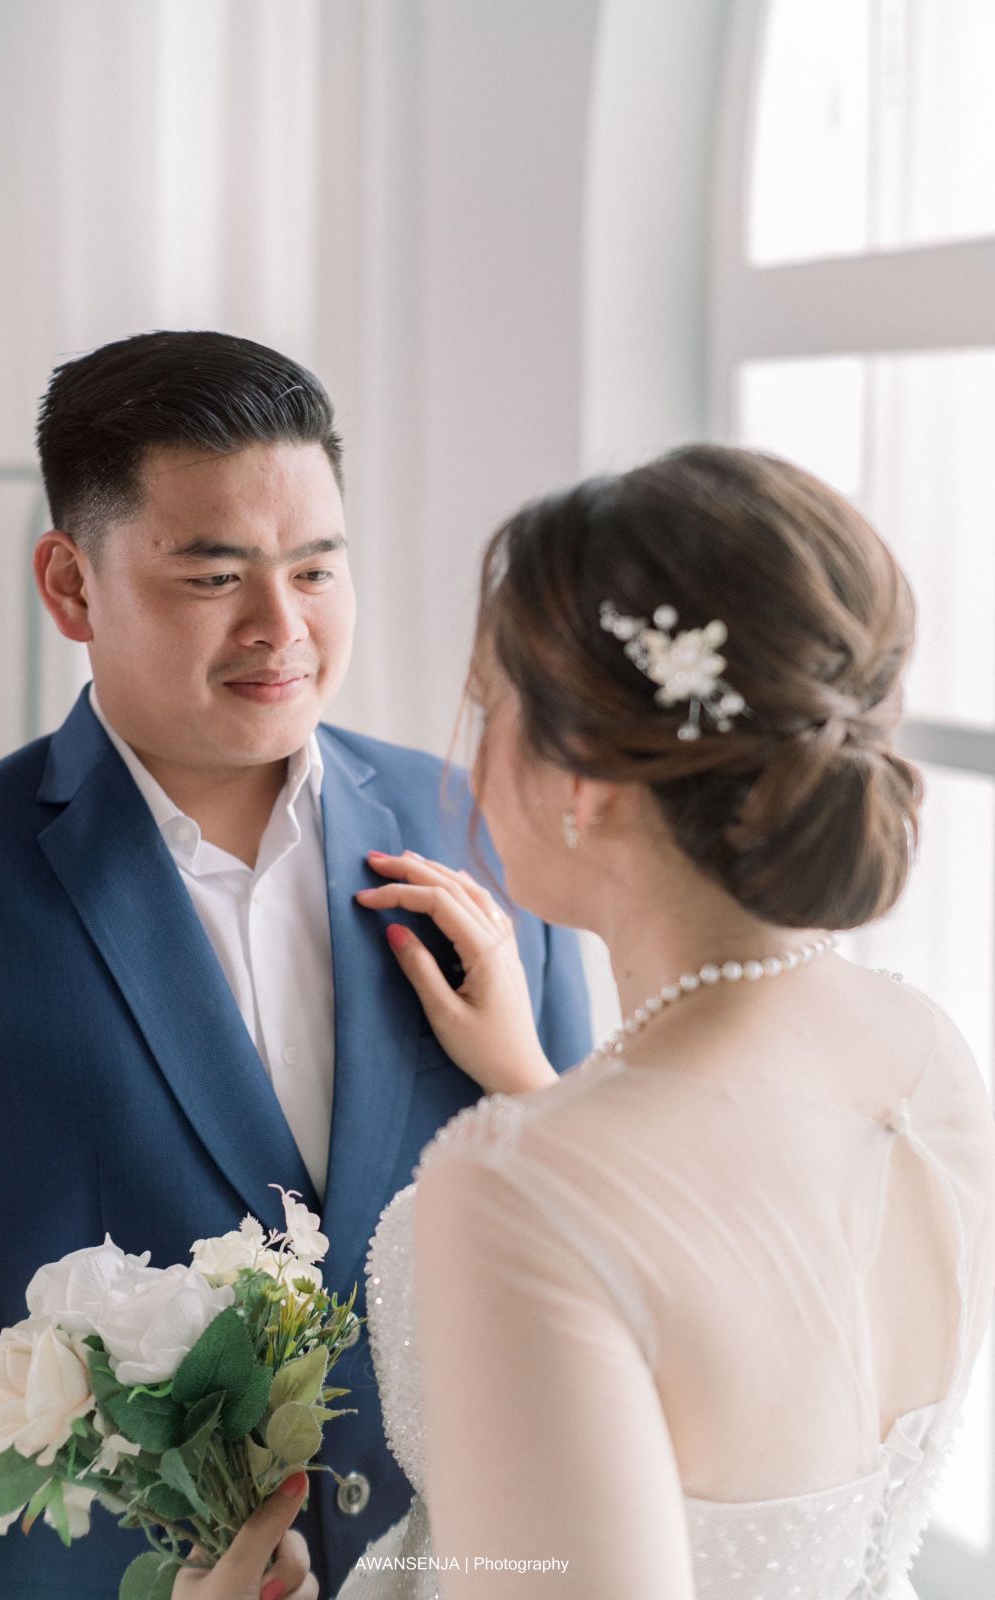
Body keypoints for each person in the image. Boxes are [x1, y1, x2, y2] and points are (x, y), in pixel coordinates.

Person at [190, 444, 995, 1598]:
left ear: (588, 782)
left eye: (491, 706)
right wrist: (535, 1081)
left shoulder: (514, 1186)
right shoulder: (919, 1048)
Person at [0, 332, 592, 1600]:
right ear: (70, 584)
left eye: (318, 569)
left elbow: (583, 1251)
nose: (282, 628)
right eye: (215, 575)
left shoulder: (481, 830)